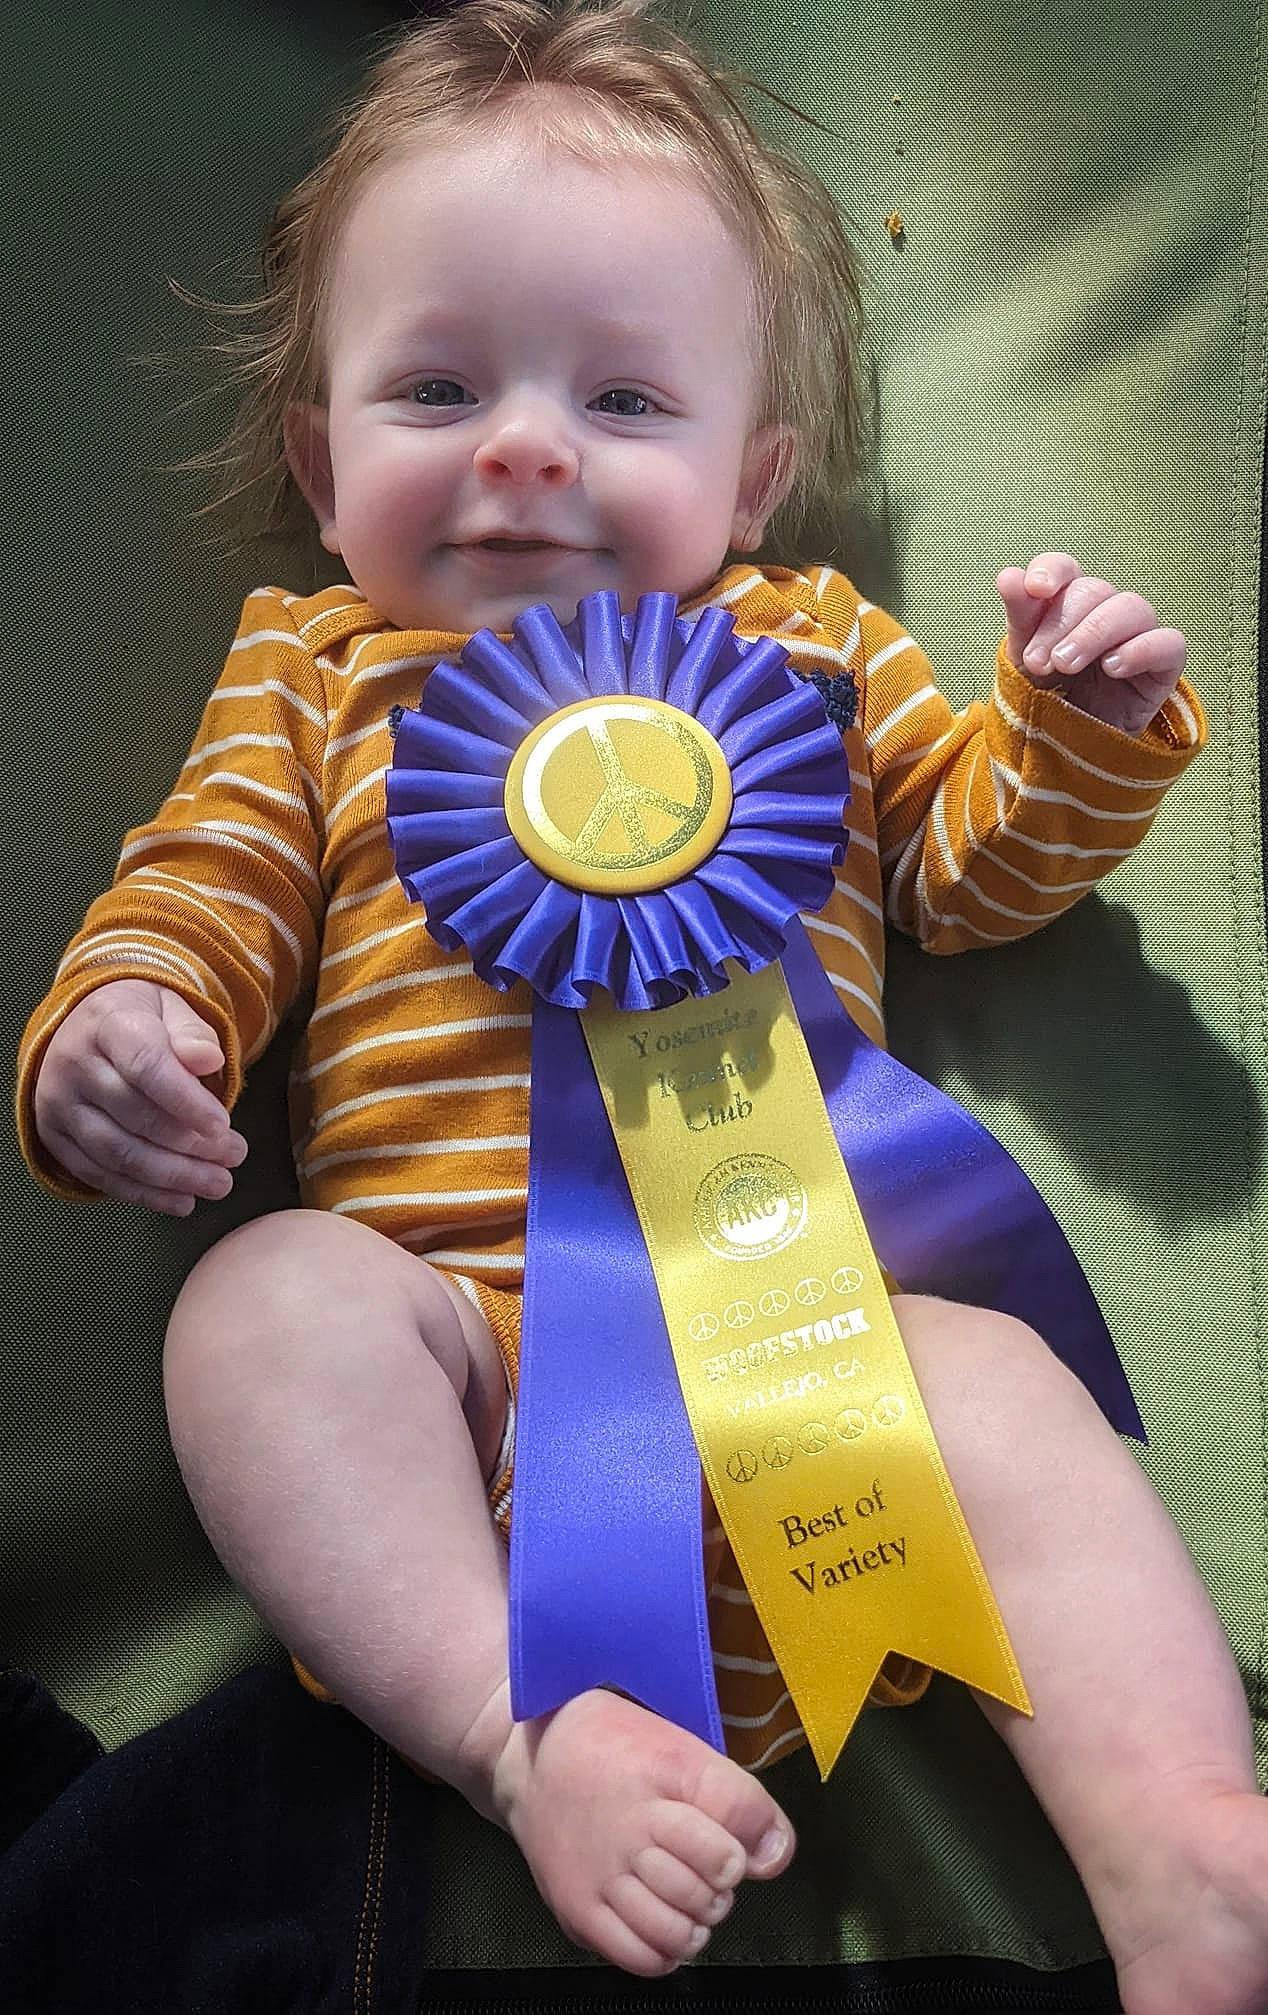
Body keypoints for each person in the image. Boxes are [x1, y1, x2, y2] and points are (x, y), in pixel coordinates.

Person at [15, 1, 1268, 2005]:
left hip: (814, 1365)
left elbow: (967, 869)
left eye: (621, 398)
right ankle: (529, 1747)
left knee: (997, 1386)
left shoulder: (801, 649)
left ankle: (1189, 1855)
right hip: (465, 1410)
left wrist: (1076, 728)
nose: (522, 441)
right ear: (323, 470)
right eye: (436, 386)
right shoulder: (315, 676)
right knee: (265, 1307)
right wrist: (127, 1020)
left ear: (752, 477)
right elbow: (204, 889)